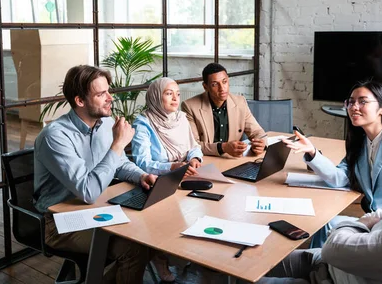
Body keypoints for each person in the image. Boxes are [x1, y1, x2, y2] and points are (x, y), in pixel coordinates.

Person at [258, 117, 382, 284]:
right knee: (257, 262)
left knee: (243, 277)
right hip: (336, 264)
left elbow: (332, 247)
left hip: (334, 277)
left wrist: (357, 226)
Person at [34, 65, 155, 283]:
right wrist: (118, 144)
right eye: (101, 94)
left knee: (148, 232)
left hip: (100, 207)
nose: (110, 98)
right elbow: (88, 192)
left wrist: (140, 176)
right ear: (80, 101)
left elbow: (118, 164)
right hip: (61, 221)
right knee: (133, 248)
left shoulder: (105, 123)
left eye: (108, 91)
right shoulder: (55, 137)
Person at [284, 80, 382, 247]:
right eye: (351, 102)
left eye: (362, 101)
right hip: (376, 221)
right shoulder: (360, 144)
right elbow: (339, 178)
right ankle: (318, 265)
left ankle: (318, 266)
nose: (354, 107)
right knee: (324, 223)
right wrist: (312, 152)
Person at [131, 77, 203, 282]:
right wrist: (172, 167)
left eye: (177, 94)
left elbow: (193, 145)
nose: (175, 98)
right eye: (168, 93)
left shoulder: (180, 118)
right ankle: (160, 257)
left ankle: (185, 254)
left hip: (185, 177)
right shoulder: (143, 123)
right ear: (155, 96)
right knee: (168, 221)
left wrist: (195, 158)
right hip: (159, 183)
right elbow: (142, 162)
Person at [181, 63, 267, 157]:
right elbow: (193, 145)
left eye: (224, 82)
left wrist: (261, 144)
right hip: (206, 160)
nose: (222, 88)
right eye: (215, 84)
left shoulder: (240, 102)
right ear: (205, 87)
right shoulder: (190, 106)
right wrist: (223, 147)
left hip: (232, 160)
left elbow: (257, 132)